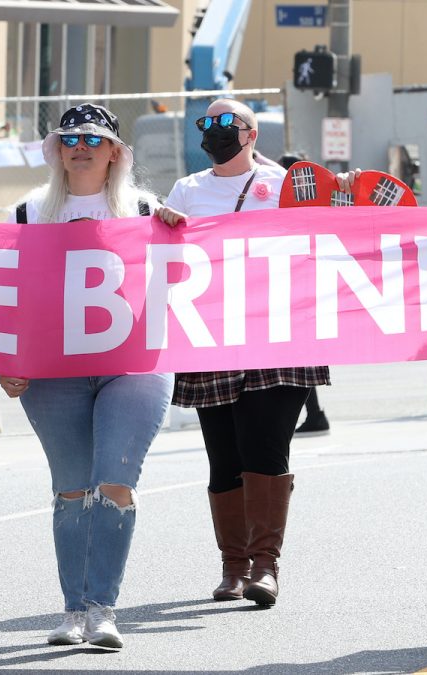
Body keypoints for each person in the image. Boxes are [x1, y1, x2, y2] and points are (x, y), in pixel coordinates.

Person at [156, 99, 355, 607]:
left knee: (266, 449)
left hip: (280, 333)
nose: (216, 130)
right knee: (223, 456)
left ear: (252, 133)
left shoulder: (287, 184)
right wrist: (163, 224)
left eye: (227, 123)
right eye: (207, 123)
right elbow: (167, 260)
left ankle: (266, 566)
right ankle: (233, 567)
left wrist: (347, 197)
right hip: (212, 337)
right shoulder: (188, 190)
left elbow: (333, 236)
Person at [0, 103, 173, 649]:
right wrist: (7, 361)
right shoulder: (26, 213)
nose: (81, 146)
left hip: (133, 367)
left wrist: (178, 235)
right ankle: (72, 610)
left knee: (115, 483)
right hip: (52, 372)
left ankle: (103, 609)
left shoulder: (146, 209)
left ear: (115, 151)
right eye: (69, 137)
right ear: (57, 150)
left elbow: (186, 277)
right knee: (71, 489)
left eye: (94, 138)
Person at [276, 152, 330, 437]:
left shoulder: (292, 206)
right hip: (303, 293)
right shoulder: (310, 204)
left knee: (300, 358)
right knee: (301, 358)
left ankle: (315, 414)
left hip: (297, 295)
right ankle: (315, 414)